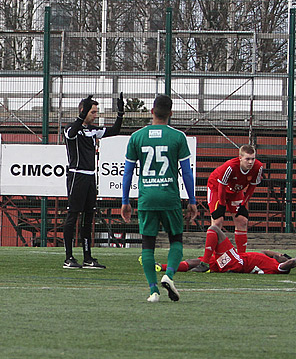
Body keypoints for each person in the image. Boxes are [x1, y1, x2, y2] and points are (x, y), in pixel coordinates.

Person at [121, 94, 198, 303]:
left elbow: (127, 173)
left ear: (152, 112)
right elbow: (187, 172)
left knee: (147, 244)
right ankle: (169, 274)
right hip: (169, 197)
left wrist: (125, 201)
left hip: (147, 198)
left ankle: (153, 291)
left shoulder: (137, 137)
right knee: (176, 240)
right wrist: (192, 200)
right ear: (170, 114)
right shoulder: (178, 137)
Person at [61, 93, 124, 269]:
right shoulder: (71, 129)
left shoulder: (92, 130)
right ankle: (68, 257)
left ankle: (88, 258)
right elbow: (71, 133)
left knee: (89, 217)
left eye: (96, 112)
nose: (95, 115)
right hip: (76, 176)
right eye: (93, 112)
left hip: (90, 176)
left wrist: (120, 113)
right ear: (83, 111)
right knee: (73, 215)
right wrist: (81, 116)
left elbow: (115, 131)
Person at [196, 145, 265, 271]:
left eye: (253, 159)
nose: (250, 162)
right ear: (240, 158)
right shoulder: (230, 166)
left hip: (235, 190)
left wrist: (243, 204)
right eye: (247, 159)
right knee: (217, 221)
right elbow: (221, 186)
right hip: (217, 187)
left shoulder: (258, 167)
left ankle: (242, 258)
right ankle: (206, 262)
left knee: (242, 220)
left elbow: (251, 187)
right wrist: (221, 205)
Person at [158, 225, 296, 274]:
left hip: (236, 262)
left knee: (214, 228)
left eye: (281, 256)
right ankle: (162, 267)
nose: (279, 255)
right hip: (232, 261)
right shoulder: (267, 258)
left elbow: (290, 263)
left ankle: (206, 262)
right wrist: (278, 254)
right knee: (192, 262)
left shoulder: (277, 267)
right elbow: (268, 252)